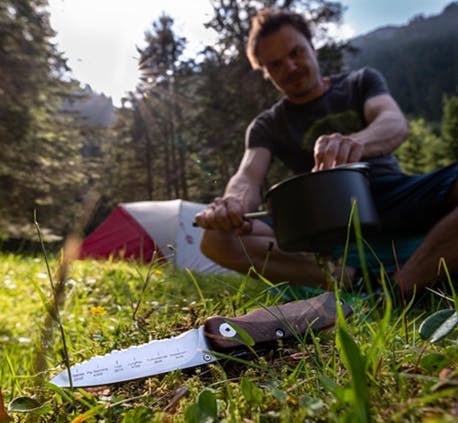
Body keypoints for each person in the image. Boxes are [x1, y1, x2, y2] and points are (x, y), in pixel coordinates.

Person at [194, 7, 458, 299]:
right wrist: (233, 204)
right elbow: (248, 175)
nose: (290, 67)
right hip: (321, 214)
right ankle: (355, 279)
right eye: (276, 64)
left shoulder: (360, 82)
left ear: (312, 46)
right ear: (266, 73)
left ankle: (398, 291)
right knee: (216, 239)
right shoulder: (267, 125)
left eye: (295, 53)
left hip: (391, 193)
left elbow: (393, 122)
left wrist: (356, 142)